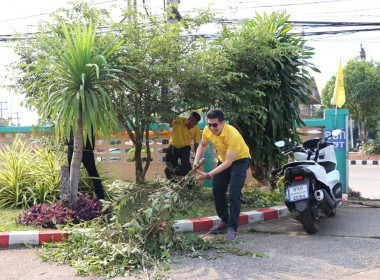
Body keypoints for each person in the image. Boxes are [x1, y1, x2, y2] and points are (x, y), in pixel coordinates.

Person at [193, 109, 250, 241]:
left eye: (215, 125)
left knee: (235, 193)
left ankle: (232, 227)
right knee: (217, 189)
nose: (212, 128)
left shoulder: (233, 135)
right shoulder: (208, 130)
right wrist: (195, 162)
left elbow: (230, 162)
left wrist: (207, 175)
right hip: (224, 159)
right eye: (209, 124)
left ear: (222, 123)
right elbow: (202, 145)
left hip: (240, 160)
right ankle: (224, 221)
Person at [67, 129, 105, 199]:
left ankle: (101, 198)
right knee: (70, 174)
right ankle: (69, 199)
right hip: (75, 148)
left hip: (83, 149)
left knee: (93, 174)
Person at [164, 112, 201, 180]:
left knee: (186, 167)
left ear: (196, 123)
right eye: (189, 118)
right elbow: (166, 120)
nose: (189, 121)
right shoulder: (179, 120)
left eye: (193, 120)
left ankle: (189, 184)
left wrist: (196, 156)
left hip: (185, 148)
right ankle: (173, 184)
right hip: (173, 147)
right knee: (169, 167)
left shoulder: (196, 129)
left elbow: (196, 144)